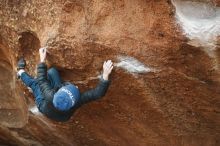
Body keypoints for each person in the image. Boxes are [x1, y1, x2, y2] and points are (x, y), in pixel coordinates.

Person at [17, 47, 113, 122]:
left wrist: (42, 60)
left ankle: (20, 71)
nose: (76, 86)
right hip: (62, 116)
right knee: (49, 74)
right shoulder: (76, 101)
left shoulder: (49, 95)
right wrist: (105, 75)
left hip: (42, 104)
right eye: (75, 88)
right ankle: (20, 72)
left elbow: (42, 80)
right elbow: (98, 94)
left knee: (36, 84)